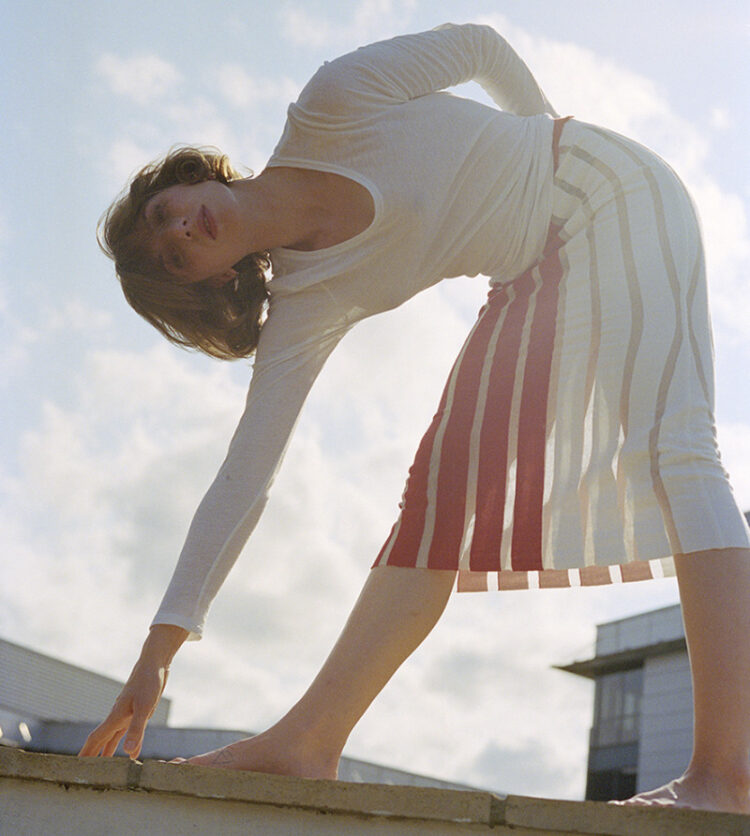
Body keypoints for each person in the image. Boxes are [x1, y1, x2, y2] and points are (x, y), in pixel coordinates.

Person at [78, 23, 750, 814]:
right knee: (440, 496)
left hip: (610, 189)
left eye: (166, 213)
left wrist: (546, 140)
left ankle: (728, 775)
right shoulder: (304, 308)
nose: (179, 231)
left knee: (676, 446)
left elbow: (478, 48)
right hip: (536, 269)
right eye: (172, 257)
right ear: (212, 282)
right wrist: (158, 652)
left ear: (190, 180)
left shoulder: (333, 105)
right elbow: (242, 479)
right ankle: (309, 741)